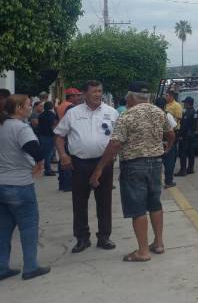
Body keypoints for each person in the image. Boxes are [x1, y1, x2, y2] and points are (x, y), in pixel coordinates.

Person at [89, 81, 175, 262]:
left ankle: (143, 252)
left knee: (137, 208)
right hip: (155, 164)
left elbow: (115, 144)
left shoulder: (127, 116)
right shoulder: (159, 112)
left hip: (134, 165)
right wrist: (166, 149)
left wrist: (99, 168)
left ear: (131, 97)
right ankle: (158, 243)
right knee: (155, 203)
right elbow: (171, 134)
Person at [54, 80, 118, 253]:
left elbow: (118, 138)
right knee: (79, 202)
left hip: (104, 163)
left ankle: (104, 237)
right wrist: (63, 155)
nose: (98, 94)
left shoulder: (111, 112)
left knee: (104, 201)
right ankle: (82, 238)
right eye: (94, 91)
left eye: (100, 91)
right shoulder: (73, 113)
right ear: (84, 94)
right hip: (80, 163)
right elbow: (59, 135)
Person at [0, 94, 50, 280]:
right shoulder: (20, 128)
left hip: (2, 183)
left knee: (3, 229)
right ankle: (30, 266)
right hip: (19, 184)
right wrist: (40, 162)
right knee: (28, 226)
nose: (31, 107)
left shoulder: (2, 126)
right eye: (29, 105)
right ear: (19, 108)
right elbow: (35, 149)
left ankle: (2, 267)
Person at [163, 92, 183, 186]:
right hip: (166, 134)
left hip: (172, 131)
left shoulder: (176, 105)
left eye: (166, 95)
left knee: (171, 157)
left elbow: (178, 118)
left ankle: (168, 179)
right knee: (169, 158)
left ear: (171, 96)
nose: (165, 97)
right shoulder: (166, 107)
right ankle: (168, 180)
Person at [36, 102, 58, 176]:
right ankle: (47, 170)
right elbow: (54, 125)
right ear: (51, 107)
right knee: (48, 154)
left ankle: (45, 168)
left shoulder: (41, 115)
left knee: (44, 153)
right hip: (49, 136)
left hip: (42, 136)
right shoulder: (52, 115)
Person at [175, 97, 196, 177]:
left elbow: (184, 126)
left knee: (182, 153)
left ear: (188, 103)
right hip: (192, 134)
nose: (184, 104)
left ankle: (183, 170)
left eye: (185, 103)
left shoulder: (187, 112)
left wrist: (180, 135)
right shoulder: (194, 111)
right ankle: (190, 168)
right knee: (191, 152)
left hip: (186, 135)